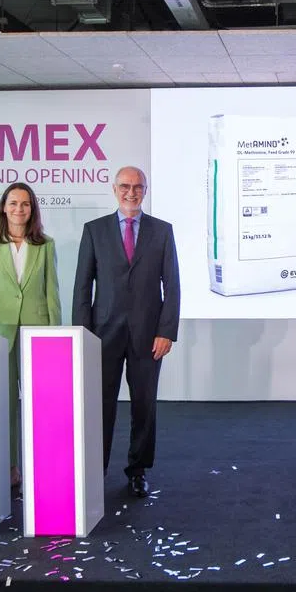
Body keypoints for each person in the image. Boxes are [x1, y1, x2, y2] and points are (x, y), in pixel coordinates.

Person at [73, 166, 180, 498]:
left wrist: (167, 331)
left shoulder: (162, 231)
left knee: (144, 405)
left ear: (145, 191)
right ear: (114, 189)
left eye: (137, 187)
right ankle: (96, 470)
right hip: (103, 334)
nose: (131, 192)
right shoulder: (95, 230)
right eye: (125, 186)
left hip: (149, 336)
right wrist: (83, 335)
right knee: (99, 405)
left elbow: (172, 286)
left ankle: (138, 470)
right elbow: (82, 287)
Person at [0, 182, 62, 488]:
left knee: (40, 403)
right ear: (3, 207)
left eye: (25, 204)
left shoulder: (45, 244)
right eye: (13, 203)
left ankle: (41, 462)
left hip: (37, 332)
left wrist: (55, 336)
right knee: (4, 403)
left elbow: (52, 293)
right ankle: (9, 467)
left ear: (32, 209)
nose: (19, 209)